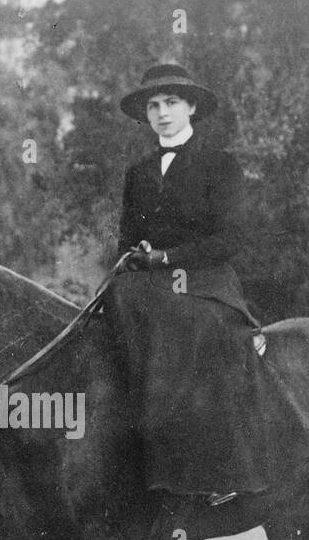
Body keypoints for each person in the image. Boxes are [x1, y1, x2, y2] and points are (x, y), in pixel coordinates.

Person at [111, 63, 266, 502]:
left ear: (191, 107)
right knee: (111, 314)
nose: (162, 112)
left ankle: (217, 471)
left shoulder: (220, 165)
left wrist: (168, 256)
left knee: (194, 328)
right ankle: (130, 456)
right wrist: (133, 257)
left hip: (206, 280)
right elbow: (125, 236)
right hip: (149, 281)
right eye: (154, 105)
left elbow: (231, 238)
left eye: (171, 103)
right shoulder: (138, 172)